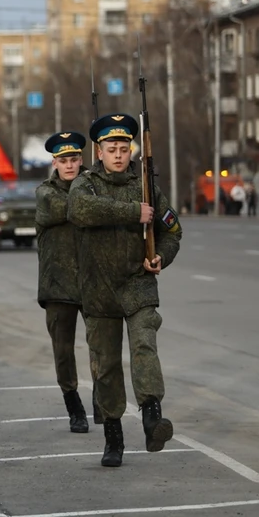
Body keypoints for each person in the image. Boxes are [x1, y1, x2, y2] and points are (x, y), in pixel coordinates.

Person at [67, 113, 182, 468]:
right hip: (99, 291)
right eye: (110, 149)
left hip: (138, 284)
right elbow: (81, 210)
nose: (118, 155)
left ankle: (152, 416)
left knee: (145, 345)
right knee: (107, 366)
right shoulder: (84, 185)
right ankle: (113, 436)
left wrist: (161, 255)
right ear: (98, 152)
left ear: (131, 150)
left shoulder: (146, 186)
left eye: (123, 148)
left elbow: (172, 230)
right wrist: (134, 212)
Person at [35, 131, 93, 434]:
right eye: (63, 160)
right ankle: (73, 405)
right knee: (63, 350)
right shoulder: (46, 192)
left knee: (100, 347)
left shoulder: (96, 184)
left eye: (74, 159)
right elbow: (76, 209)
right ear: (54, 162)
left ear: (81, 160)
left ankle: (102, 398)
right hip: (58, 285)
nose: (69, 165)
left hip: (93, 281)